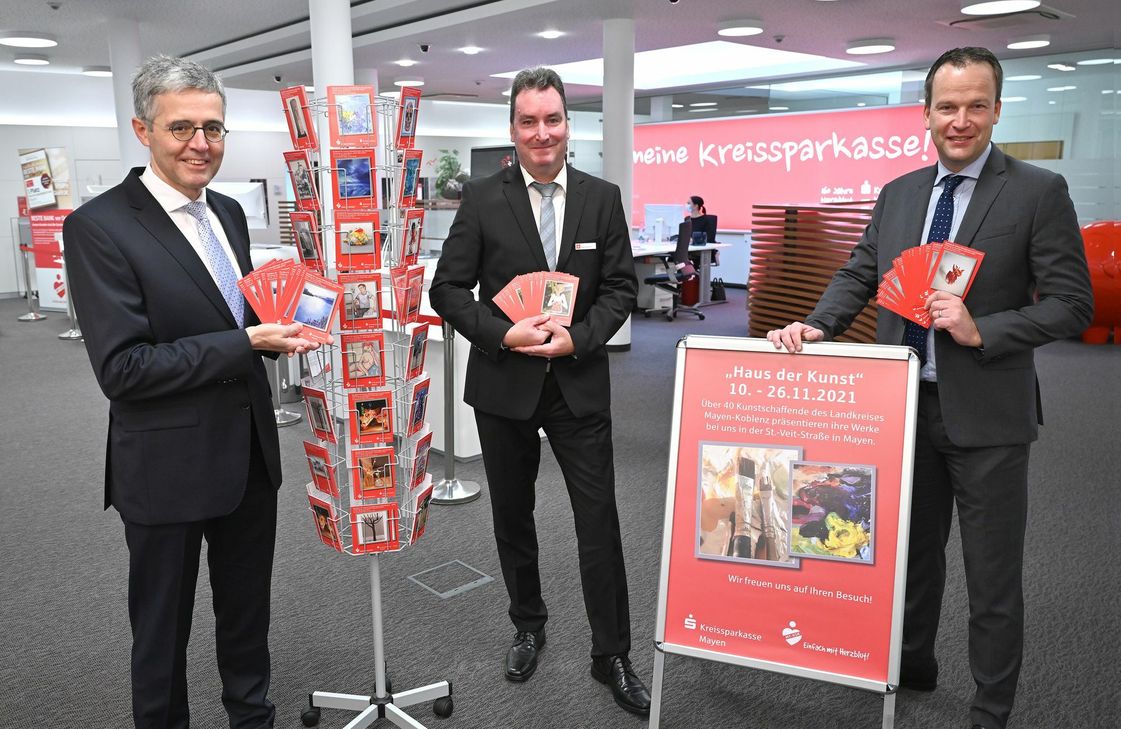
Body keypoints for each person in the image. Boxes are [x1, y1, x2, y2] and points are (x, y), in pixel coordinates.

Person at [767, 47, 1092, 729]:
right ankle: (911, 665)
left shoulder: (1037, 192)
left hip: (988, 417)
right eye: (947, 106)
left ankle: (989, 709)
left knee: (991, 577)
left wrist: (983, 328)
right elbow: (860, 272)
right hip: (900, 407)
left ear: (997, 110)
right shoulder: (900, 194)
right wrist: (819, 323)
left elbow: (1070, 304)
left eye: (976, 105)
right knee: (910, 557)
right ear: (925, 113)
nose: (961, 119)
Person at [62, 55, 324, 729]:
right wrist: (250, 343)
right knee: (161, 632)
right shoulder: (99, 227)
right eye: (181, 127)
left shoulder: (229, 214)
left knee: (246, 616)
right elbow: (124, 368)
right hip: (165, 468)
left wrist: (278, 333)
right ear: (142, 130)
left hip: (247, 458)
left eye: (213, 128)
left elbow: (231, 315)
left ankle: (251, 716)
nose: (200, 144)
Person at [429, 66, 650, 717]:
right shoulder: (481, 197)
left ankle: (611, 652)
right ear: (512, 129)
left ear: (566, 124)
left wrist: (577, 338)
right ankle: (527, 621)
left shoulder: (600, 197)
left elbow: (620, 289)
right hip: (504, 384)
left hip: (577, 382)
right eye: (528, 121)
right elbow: (447, 290)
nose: (541, 132)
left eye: (551, 119)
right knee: (512, 516)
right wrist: (503, 332)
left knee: (599, 521)